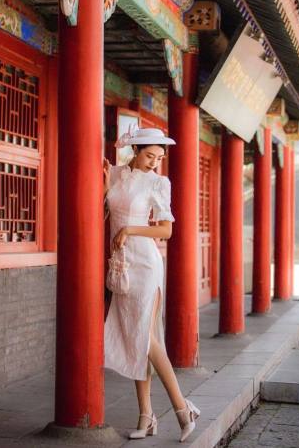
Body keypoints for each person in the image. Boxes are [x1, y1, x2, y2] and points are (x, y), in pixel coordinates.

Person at [103, 127, 200, 443]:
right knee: (135, 340)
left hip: (145, 264)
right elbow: (102, 213)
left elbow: (167, 232)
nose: (153, 163)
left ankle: (182, 408)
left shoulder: (159, 182)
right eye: (149, 156)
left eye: (159, 158)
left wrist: (131, 230)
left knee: (145, 337)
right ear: (136, 150)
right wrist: (104, 188)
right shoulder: (115, 174)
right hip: (121, 264)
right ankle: (146, 416)